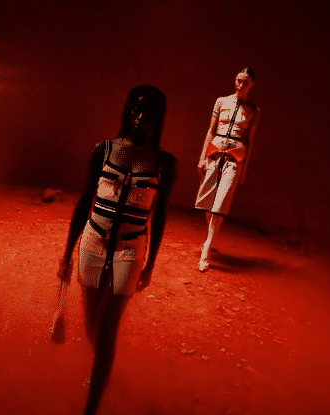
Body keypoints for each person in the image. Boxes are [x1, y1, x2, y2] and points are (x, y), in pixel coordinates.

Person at [57, 85, 176, 415]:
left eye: (147, 111)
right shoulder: (103, 150)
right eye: (135, 108)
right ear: (127, 110)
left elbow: (159, 216)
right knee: (92, 328)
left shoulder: (164, 164)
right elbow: (85, 200)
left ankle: (91, 407)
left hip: (130, 249)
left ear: (157, 118)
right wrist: (66, 254)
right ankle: (102, 374)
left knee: (107, 332)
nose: (140, 116)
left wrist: (150, 264)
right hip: (93, 242)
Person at [195, 68, 260, 271]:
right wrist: (202, 157)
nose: (240, 85)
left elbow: (249, 142)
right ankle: (211, 237)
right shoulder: (221, 101)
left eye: (245, 82)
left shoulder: (253, 110)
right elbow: (211, 130)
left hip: (234, 157)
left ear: (252, 85)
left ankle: (207, 248)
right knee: (208, 201)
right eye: (239, 80)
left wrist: (244, 169)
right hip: (215, 152)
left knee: (221, 202)